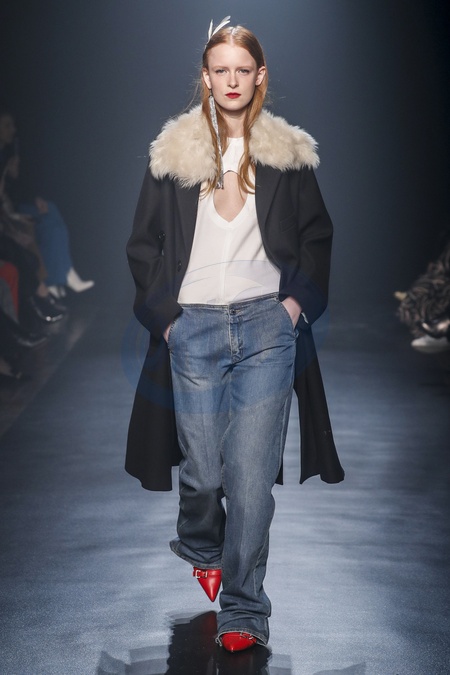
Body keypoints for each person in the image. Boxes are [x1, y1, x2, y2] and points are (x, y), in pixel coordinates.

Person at [126, 19, 344, 653]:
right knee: (201, 473)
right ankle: (201, 543)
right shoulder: (174, 154)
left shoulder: (287, 154)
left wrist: (294, 307)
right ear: (205, 76)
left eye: (242, 70)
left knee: (250, 479)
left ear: (259, 77)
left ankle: (245, 609)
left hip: (267, 327)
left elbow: (317, 235)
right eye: (220, 69)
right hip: (192, 327)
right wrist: (167, 320)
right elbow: (142, 244)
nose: (231, 80)